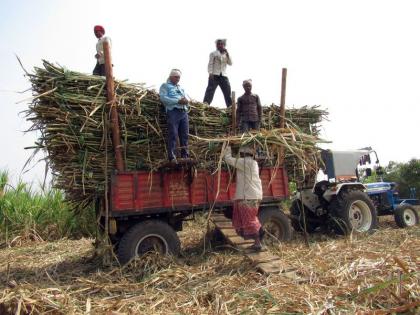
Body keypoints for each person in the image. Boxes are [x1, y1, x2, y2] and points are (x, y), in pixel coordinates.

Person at [224, 145, 264, 251]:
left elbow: (228, 159)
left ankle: (258, 243)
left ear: (243, 154)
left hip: (249, 196)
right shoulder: (252, 163)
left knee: (250, 220)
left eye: (240, 154)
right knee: (249, 219)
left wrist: (228, 147)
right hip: (251, 195)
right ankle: (257, 241)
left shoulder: (246, 162)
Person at [159, 69, 189, 162]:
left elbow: (186, 99)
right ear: (171, 76)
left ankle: (185, 156)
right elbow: (164, 99)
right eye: (176, 77)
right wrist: (177, 101)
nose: (178, 79)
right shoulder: (165, 86)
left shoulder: (181, 88)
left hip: (183, 112)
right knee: (173, 133)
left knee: (184, 135)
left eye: (179, 77)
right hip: (173, 112)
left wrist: (186, 102)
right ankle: (172, 156)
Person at [203, 39, 233, 107]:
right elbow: (210, 64)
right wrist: (210, 73)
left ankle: (230, 107)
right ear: (216, 45)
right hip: (214, 75)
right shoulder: (213, 53)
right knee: (210, 91)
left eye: (221, 44)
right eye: (218, 44)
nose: (220, 45)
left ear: (224, 45)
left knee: (227, 91)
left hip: (224, 75)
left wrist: (228, 54)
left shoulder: (226, 54)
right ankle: (205, 106)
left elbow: (230, 63)